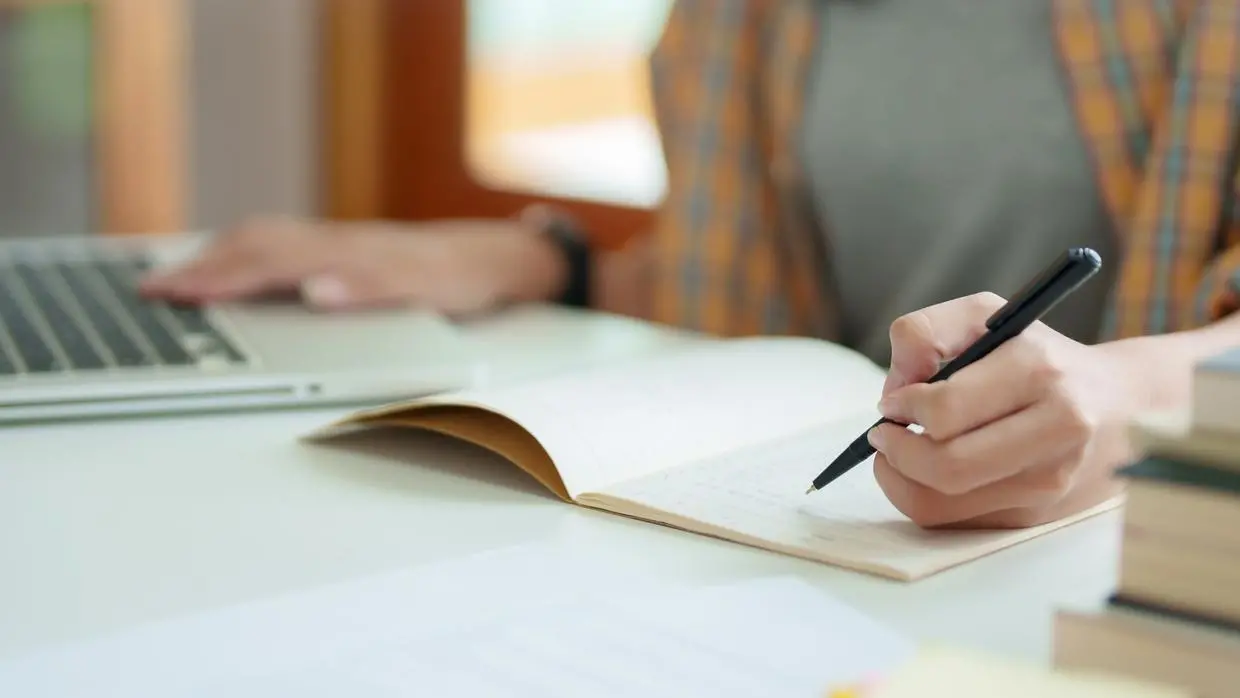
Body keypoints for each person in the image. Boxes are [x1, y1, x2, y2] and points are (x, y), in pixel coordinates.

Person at [141, 1, 1240, 531]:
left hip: (1131, 570)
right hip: (854, 551)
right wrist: (530, 257)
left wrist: (1127, 396)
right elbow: (763, 296)